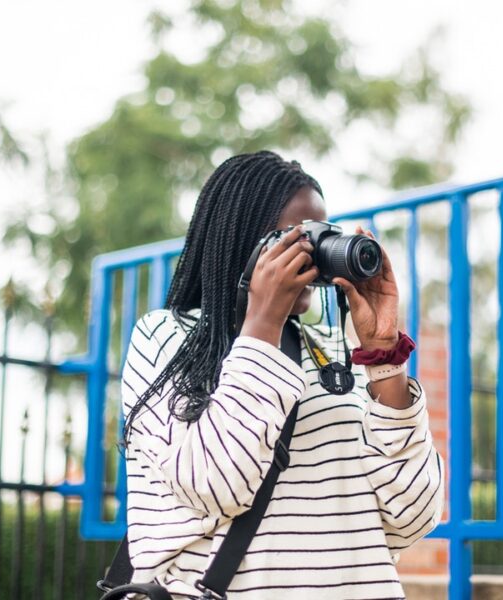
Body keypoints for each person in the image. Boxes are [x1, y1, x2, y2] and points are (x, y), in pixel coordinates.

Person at [119, 150, 444, 598]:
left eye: (320, 237)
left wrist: (384, 357)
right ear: (238, 242)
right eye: (294, 239)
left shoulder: (339, 355)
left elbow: (414, 518)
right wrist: (262, 324)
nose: (311, 257)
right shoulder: (168, 339)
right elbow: (215, 485)